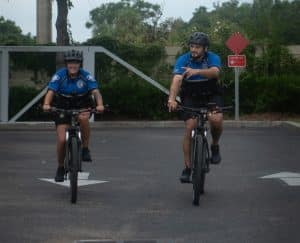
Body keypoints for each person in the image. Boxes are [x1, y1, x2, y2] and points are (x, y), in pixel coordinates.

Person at [167, 32, 224, 183]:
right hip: (191, 96)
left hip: (211, 94)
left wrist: (197, 71)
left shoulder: (213, 57)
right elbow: (177, 79)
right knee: (190, 126)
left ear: (205, 48)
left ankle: (215, 146)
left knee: (216, 119)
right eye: (192, 46)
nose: (194, 49)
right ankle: (187, 167)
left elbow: (215, 72)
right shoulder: (183, 59)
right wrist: (172, 99)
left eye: (197, 47)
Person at [43, 49, 104, 182]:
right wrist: (46, 104)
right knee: (61, 140)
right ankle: (60, 167)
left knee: (83, 119)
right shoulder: (60, 75)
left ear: (80, 64)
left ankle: (85, 149)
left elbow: (96, 92)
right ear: (66, 64)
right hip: (62, 107)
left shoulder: (85, 75)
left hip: (82, 104)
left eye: (76, 62)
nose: (73, 65)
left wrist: (100, 105)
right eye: (70, 62)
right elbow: (51, 91)